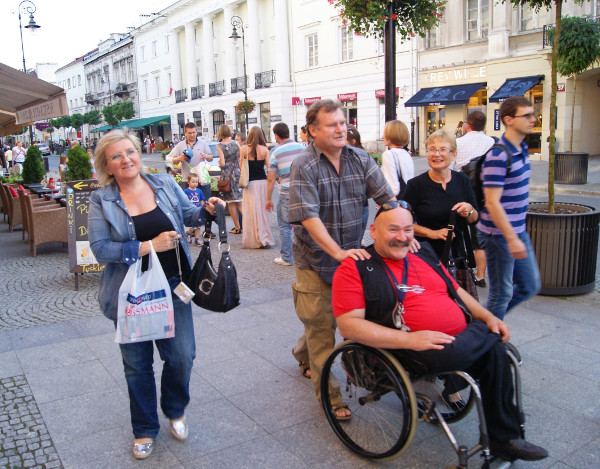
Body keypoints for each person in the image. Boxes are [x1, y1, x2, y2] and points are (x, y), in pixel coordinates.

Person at [331, 202, 549, 463]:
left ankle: (504, 439)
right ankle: (482, 345)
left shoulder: (423, 253)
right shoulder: (355, 268)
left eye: (408, 229)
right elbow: (349, 326)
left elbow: (456, 291)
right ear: (374, 231)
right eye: (393, 230)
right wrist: (410, 338)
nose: (402, 237)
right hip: (409, 347)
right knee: (488, 345)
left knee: (495, 353)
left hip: (457, 341)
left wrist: (488, 316)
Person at [88, 129, 223, 460]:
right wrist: (149, 246)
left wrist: (205, 210)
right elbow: (100, 248)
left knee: (182, 356)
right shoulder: (101, 199)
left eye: (130, 151)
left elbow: (186, 217)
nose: (126, 159)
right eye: (117, 155)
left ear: (139, 153)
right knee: (137, 365)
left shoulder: (162, 183)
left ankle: (175, 409)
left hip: (175, 285)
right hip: (130, 293)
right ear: (107, 164)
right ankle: (145, 428)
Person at [288, 99, 395, 420]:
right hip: (314, 262)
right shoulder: (303, 166)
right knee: (322, 329)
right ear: (313, 131)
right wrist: (336, 252)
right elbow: (307, 217)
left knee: (323, 323)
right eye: (332, 124)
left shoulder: (361, 158)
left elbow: (386, 198)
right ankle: (332, 399)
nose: (340, 128)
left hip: (351, 260)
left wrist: (402, 227)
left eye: (342, 122)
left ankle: (300, 352)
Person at [477, 96, 540, 320]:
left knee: (529, 286)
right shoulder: (498, 155)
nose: (533, 119)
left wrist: (516, 236)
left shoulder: (521, 148)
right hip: (498, 236)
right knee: (501, 294)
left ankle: (484, 325)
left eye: (533, 114)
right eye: (527, 115)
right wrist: (511, 239)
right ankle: (485, 340)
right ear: (508, 119)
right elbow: (492, 202)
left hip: (516, 231)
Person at [403, 129, 478, 265]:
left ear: (454, 154)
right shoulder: (416, 185)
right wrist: (432, 233)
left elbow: (474, 219)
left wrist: (469, 209)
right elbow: (403, 223)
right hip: (426, 255)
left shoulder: (463, 180)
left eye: (443, 149)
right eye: (431, 149)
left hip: (457, 255)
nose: (436, 154)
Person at [454, 110, 495, 287]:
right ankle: (480, 275)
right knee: (480, 233)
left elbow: (453, 167)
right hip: (485, 193)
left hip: (463, 189)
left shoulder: (459, 142)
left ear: (467, 125)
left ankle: (464, 266)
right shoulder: (492, 142)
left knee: (461, 229)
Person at [266, 123, 304, 266]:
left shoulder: (276, 152)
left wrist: (268, 198)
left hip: (286, 192)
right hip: (303, 192)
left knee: (285, 226)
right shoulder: (303, 148)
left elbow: (271, 178)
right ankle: (304, 256)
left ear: (276, 135)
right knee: (303, 224)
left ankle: (287, 257)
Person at [240, 126, 274, 248]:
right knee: (262, 211)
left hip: (250, 183)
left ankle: (254, 239)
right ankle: (264, 237)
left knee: (251, 211)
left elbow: (241, 167)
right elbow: (270, 167)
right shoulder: (265, 149)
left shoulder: (243, 149)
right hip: (262, 183)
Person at [168, 122, 214, 200]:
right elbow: (173, 160)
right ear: (185, 133)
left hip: (201, 180)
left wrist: (206, 156)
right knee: (189, 205)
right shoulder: (180, 145)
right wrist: (180, 158)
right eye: (189, 133)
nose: (192, 135)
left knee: (205, 204)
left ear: (196, 132)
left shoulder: (203, 144)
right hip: (187, 180)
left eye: (194, 132)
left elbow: (211, 158)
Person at [216, 124, 243, 234]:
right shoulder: (236, 143)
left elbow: (222, 163)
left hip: (227, 175)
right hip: (237, 173)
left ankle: (237, 228)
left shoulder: (220, 146)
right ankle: (250, 225)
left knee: (231, 203)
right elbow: (241, 157)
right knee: (240, 202)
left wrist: (219, 163)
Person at [380, 120, 414, 198]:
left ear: (391, 135)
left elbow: (393, 188)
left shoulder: (389, 154)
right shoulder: (406, 154)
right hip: (406, 201)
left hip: (394, 203)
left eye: (385, 133)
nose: (382, 137)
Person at [183, 174, 206, 245]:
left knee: (198, 225)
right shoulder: (186, 191)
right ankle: (188, 233)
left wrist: (204, 208)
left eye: (196, 182)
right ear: (188, 182)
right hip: (190, 211)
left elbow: (201, 201)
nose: (195, 184)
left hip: (198, 210)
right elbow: (184, 201)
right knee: (193, 226)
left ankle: (197, 240)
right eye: (193, 182)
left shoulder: (199, 191)